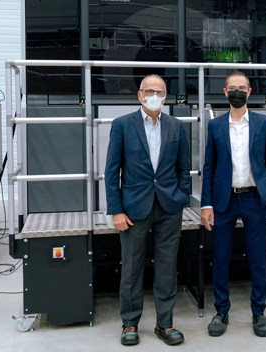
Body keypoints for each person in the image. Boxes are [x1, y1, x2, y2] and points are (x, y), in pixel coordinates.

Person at [104, 74, 190, 346]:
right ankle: (130, 324)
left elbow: (183, 168)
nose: (155, 96)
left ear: (166, 96)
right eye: (150, 91)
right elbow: (111, 171)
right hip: (132, 209)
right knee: (131, 268)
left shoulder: (177, 126)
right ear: (140, 95)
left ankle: (165, 324)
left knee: (167, 268)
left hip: (168, 207)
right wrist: (115, 209)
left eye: (160, 92)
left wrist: (181, 197)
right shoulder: (122, 125)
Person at [200, 71, 266, 338]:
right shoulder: (215, 126)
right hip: (224, 199)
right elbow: (208, 167)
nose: (236, 91)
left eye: (241, 87)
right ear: (225, 92)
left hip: (254, 198)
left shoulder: (264, 123)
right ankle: (221, 311)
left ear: (249, 90)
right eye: (232, 87)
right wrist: (206, 204)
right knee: (221, 257)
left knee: (257, 257)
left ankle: (259, 312)